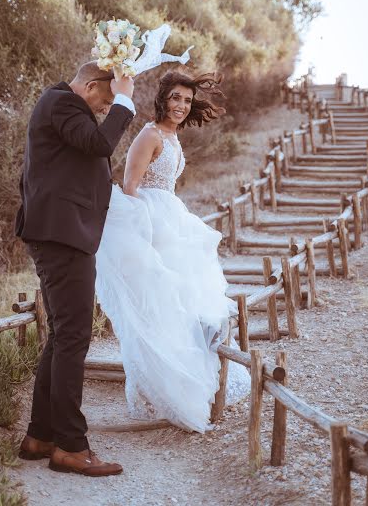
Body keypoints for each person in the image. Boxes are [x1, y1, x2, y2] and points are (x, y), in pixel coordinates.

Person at [95, 70, 250, 432]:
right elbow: (130, 187)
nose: (181, 106)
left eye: (187, 100)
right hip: (151, 225)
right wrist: (141, 241)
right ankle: (162, 391)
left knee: (183, 309)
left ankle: (188, 384)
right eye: (175, 98)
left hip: (172, 221)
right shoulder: (149, 135)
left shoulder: (173, 137)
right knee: (161, 310)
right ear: (163, 98)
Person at [16, 61, 135, 476]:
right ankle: (70, 445)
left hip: (61, 234)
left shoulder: (61, 104)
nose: (106, 110)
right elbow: (100, 144)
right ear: (89, 86)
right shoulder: (64, 104)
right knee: (74, 337)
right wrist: (125, 99)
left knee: (64, 336)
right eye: (104, 100)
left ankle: (41, 435)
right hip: (62, 236)